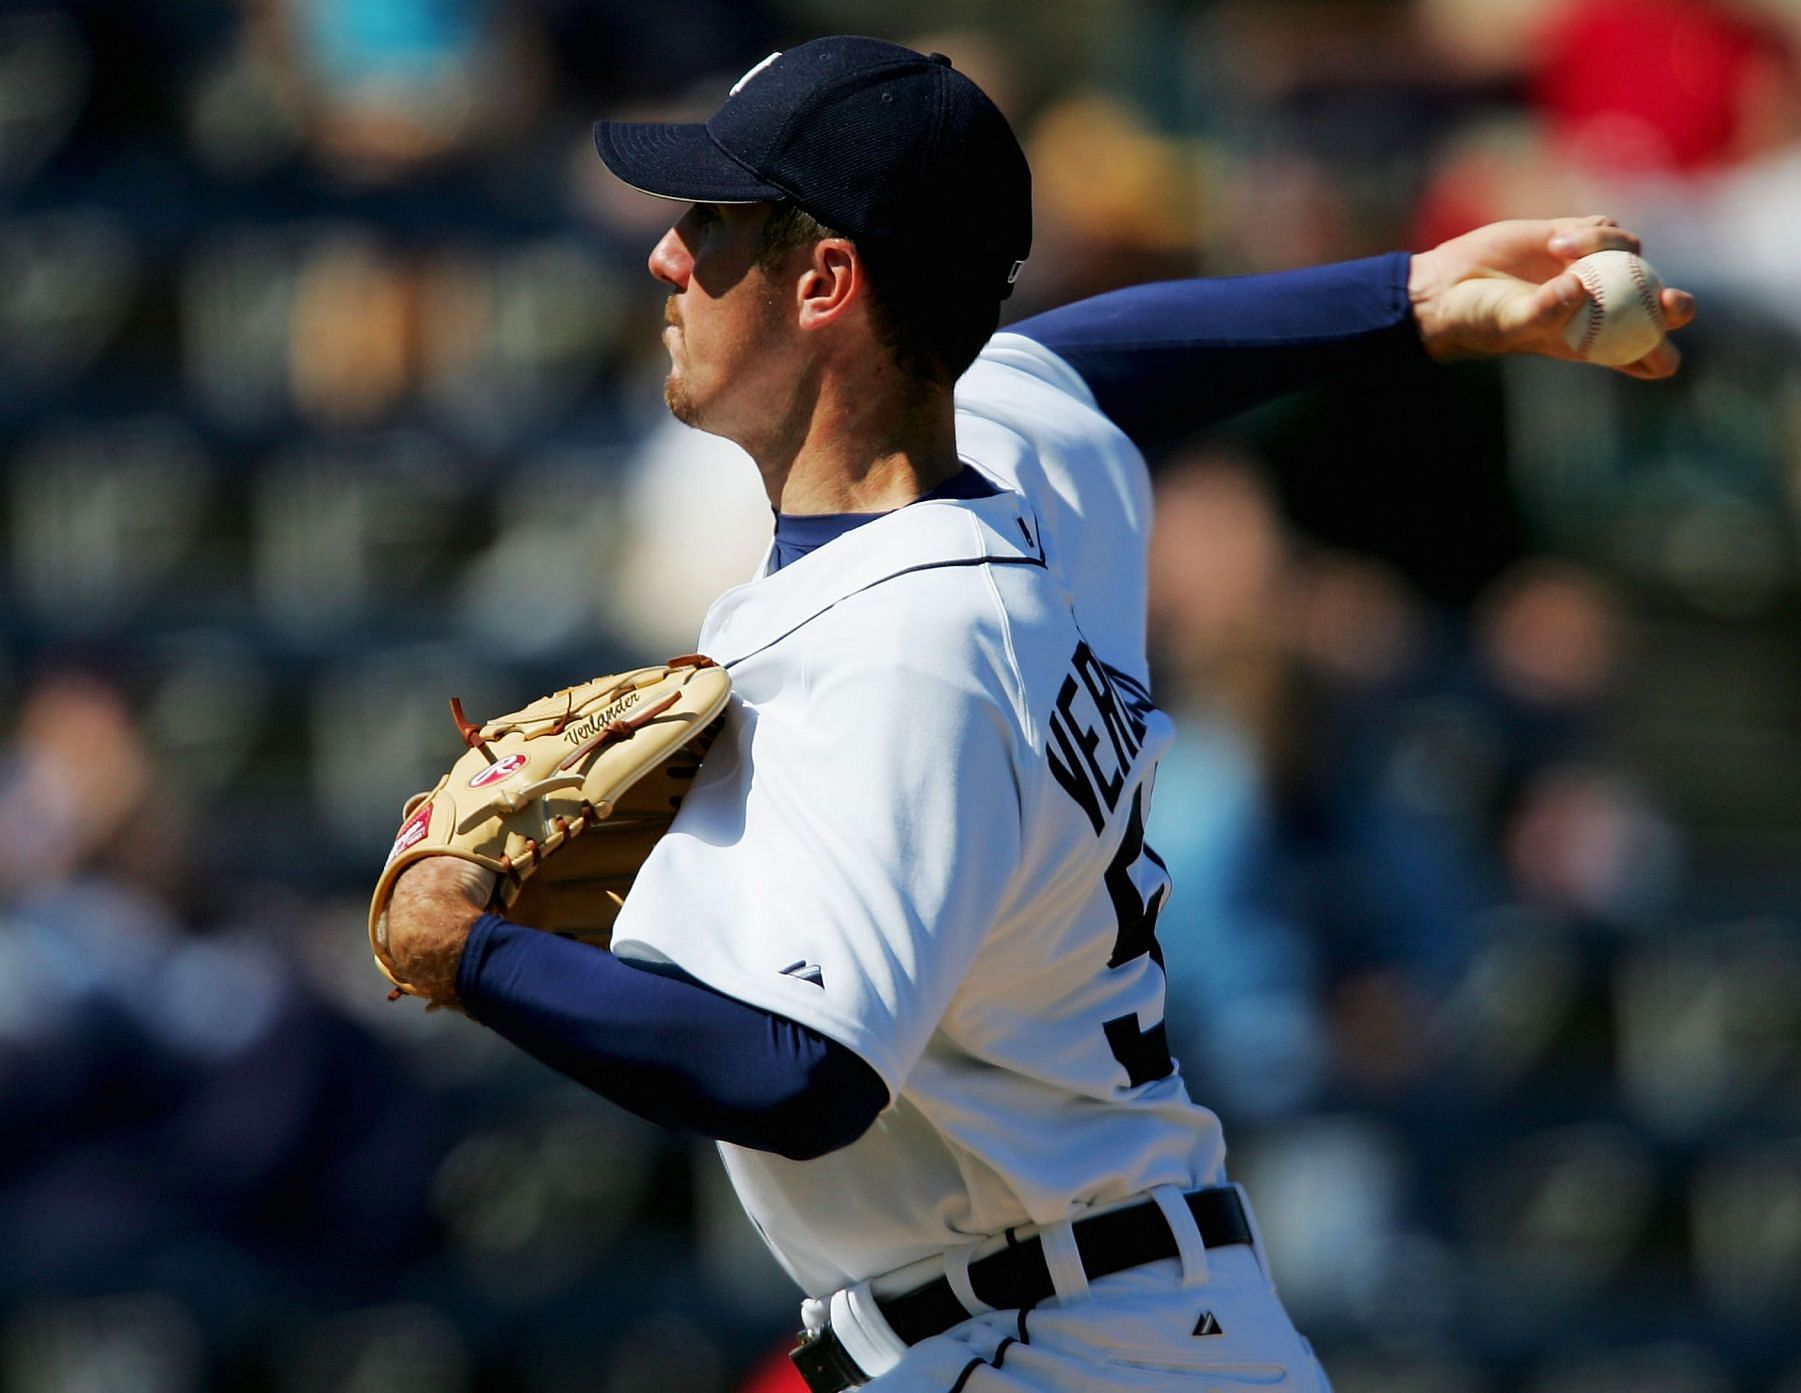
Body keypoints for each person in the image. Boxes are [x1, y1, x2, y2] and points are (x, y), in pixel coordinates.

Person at [378, 35, 1694, 1392]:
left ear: (826, 281)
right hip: (1097, 1312)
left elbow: (803, 1076)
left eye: (713, 224)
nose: (666, 256)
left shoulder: (906, 649)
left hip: (1051, 1340)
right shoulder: (994, 464)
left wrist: (468, 951)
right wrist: (1405, 295)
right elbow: (1096, 360)